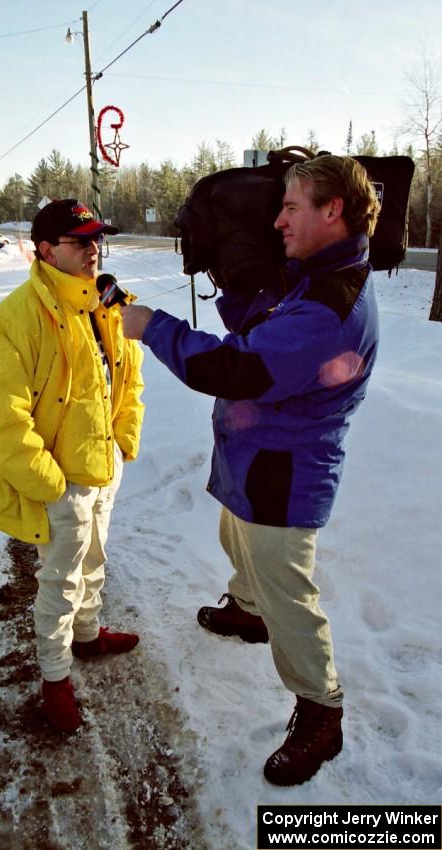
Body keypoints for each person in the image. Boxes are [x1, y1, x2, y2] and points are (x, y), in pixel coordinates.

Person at [121, 155, 380, 786]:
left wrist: (152, 327)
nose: (278, 220)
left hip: (285, 472)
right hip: (256, 455)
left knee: (290, 593)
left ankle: (322, 711)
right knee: (236, 539)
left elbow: (237, 368)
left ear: (333, 210)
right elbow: (257, 323)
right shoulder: (309, 276)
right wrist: (236, 280)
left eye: (291, 208)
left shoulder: (328, 306)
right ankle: (246, 608)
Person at [0, 199, 145, 733]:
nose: (94, 250)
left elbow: (128, 377)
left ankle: (88, 637)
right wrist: (50, 483)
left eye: (97, 240)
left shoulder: (105, 304)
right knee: (60, 579)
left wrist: (121, 442)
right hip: (60, 480)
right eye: (80, 241)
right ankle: (54, 676)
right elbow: (1, 419)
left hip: (102, 464)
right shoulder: (13, 321)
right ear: (46, 251)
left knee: (95, 559)